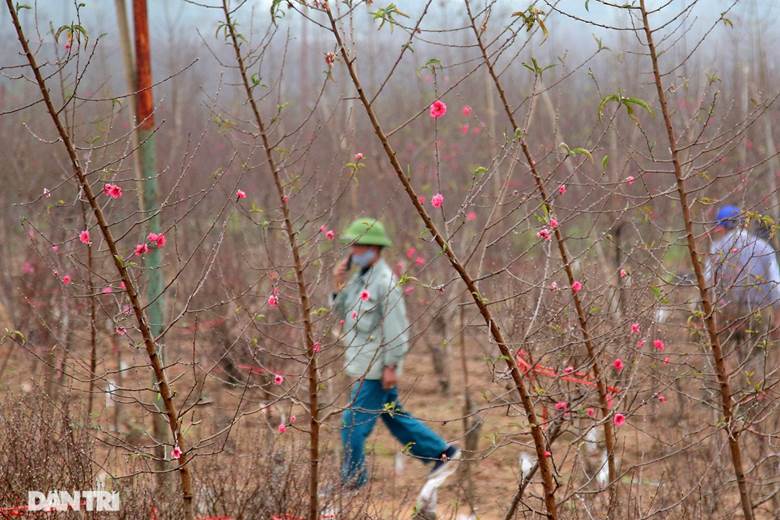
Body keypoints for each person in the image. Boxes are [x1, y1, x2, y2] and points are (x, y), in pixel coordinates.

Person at [330, 217, 460, 491]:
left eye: (358, 246)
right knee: (392, 414)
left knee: (351, 426)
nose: (353, 251)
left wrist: (391, 366)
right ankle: (441, 453)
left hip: (376, 369)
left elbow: (397, 330)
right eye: (352, 246)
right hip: (362, 364)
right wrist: (338, 284)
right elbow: (342, 315)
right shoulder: (360, 279)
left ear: (375, 248)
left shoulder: (385, 283)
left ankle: (352, 482)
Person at [704, 205, 780, 344]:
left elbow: (707, 283)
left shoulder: (716, 249)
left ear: (721, 226)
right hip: (759, 313)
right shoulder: (764, 247)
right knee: (757, 360)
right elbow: (775, 286)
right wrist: (777, 316)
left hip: (726, 315)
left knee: (727, 360)